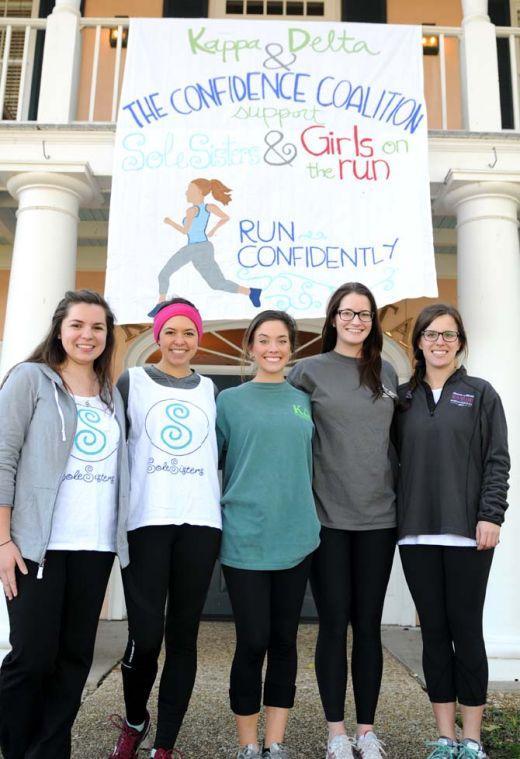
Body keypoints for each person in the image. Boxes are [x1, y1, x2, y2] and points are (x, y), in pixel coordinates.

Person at [0, 289, 129, 759]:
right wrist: (3, 540)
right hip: (37, 547)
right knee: (31, 657)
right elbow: (2, 458)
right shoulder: (31, 380)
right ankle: (15, 750)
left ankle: (51, 752)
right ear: (59, 329)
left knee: (74, 660)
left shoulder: (111, 395)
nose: (87, 335)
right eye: (77, 325)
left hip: (94, 547)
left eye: (97, 327)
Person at [394, 304, 509, 759]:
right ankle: (445, 737)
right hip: (417, 535)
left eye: (448, 335)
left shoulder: (481, 394)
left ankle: (473, 739)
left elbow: (497, 460)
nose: (439, 342)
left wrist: (491, 515)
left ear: (460, 342)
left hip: (468, 534)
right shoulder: (401, 398)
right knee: (434, 634)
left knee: (467, 631)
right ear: (418, 342)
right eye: (431, 335)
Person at [288, 282, 397, 759]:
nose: (357, 321)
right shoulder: (306, 372)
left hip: (380, 517)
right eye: (348, 313)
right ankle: (336, 732)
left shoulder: (387, 372)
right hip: (326, 518)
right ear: (333, 317)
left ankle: (367, 731)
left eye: (366, 315)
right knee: (333, 624)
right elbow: (284, 436)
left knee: (368, 625)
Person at [109, 298, 221, 759]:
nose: (180, 341)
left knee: (183, 636)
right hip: (146, 522)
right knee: (145, 635)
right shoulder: (131, 381)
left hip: (200, 522)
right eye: (171, 332)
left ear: (199, 339)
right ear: (157, 336)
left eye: (189, 333)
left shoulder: (211, 388)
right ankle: (136, 720)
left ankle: (165, 744)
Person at [217, 310, 321, 759]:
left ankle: (275, 743)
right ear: (251, 346)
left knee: (284, 641)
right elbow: (210, 466)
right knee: (252, 639)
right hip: (245, 537)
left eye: (281, 340)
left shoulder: (304, 400)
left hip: (296, 536)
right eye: (264, 340)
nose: (273, 348)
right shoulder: (229, 402)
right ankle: (247, 744)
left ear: (292, 347)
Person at [153, 178, 261, 311]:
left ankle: (160, 304)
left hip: (195, 248)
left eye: (189, 190)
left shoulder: (191, 211)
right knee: (217, 283)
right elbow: (225, 217)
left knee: (164, 274)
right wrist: (213, 230)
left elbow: (185, 231)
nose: (186, 193)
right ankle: (251, 292)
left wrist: (170, 222)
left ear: (198, 192)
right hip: (204, 247)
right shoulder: (208, 207)